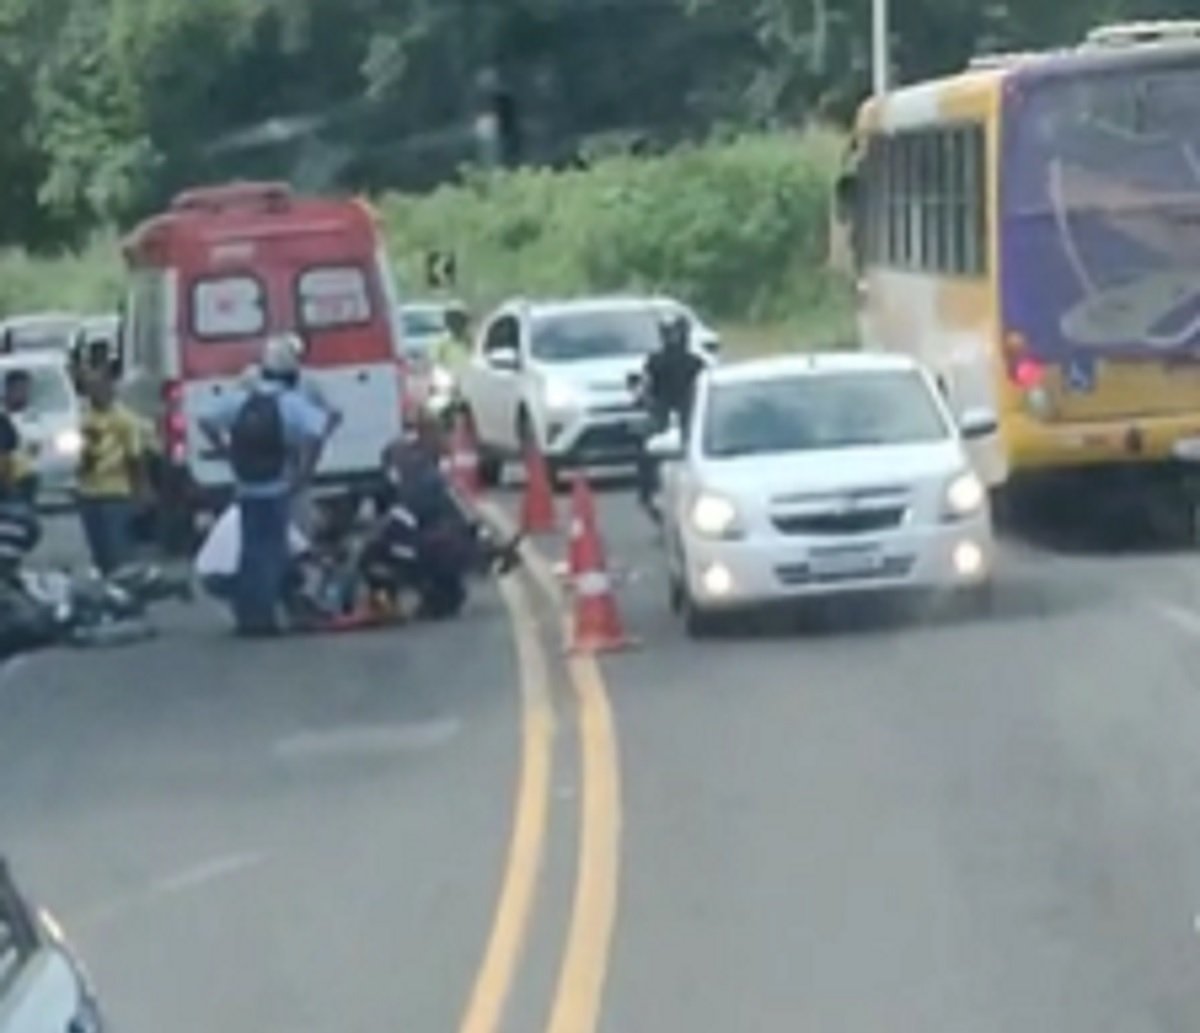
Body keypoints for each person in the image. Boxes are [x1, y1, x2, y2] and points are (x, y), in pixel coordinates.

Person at [199, 337, 327, 636]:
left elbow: (205, 419)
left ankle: (249, 615)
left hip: (246, 489)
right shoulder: (290, 403)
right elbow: (317, 432)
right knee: (273, 551)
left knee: (251, 551)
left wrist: (226, 450)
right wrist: (304, 472)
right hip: (276, 487)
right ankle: (266, 616)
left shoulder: (242, 400)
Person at [635, 312, 707, 521]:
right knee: (646, 447)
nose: (673, 338)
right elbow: (645, 390)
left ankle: (649, 494)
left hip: (688, 417)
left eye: (676, 333)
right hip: (665, 415)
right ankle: (649, 493)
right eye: (669, 333)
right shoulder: (655, 362)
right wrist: (646, 401)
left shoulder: (696, 364)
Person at [76, 367, 145, 576]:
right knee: (99, 552)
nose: (95, 392)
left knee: (118, 549)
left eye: (99, 387)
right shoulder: (84, 417)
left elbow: (135, 458)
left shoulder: (125, 420)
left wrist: (140, 492)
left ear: (110, 388)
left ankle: (125, 587)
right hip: (88, 492)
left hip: (115, 492)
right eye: (90, 388)